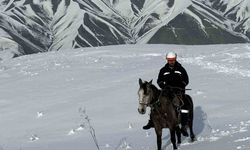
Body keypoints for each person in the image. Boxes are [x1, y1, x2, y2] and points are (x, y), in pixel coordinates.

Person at [143, 51, 189, 136]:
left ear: (175, 59)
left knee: (185, 105)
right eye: (169, 60)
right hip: (166, 91)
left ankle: (183, 126)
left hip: (178, 91)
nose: (171, 61)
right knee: (155, 103)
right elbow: (159, 80)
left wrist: (182, 85)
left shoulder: (181, 69)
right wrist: (162, 85)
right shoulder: (163, 70)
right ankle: (151, 122)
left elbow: (186, 80)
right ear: (167, 60)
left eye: (173, 60)